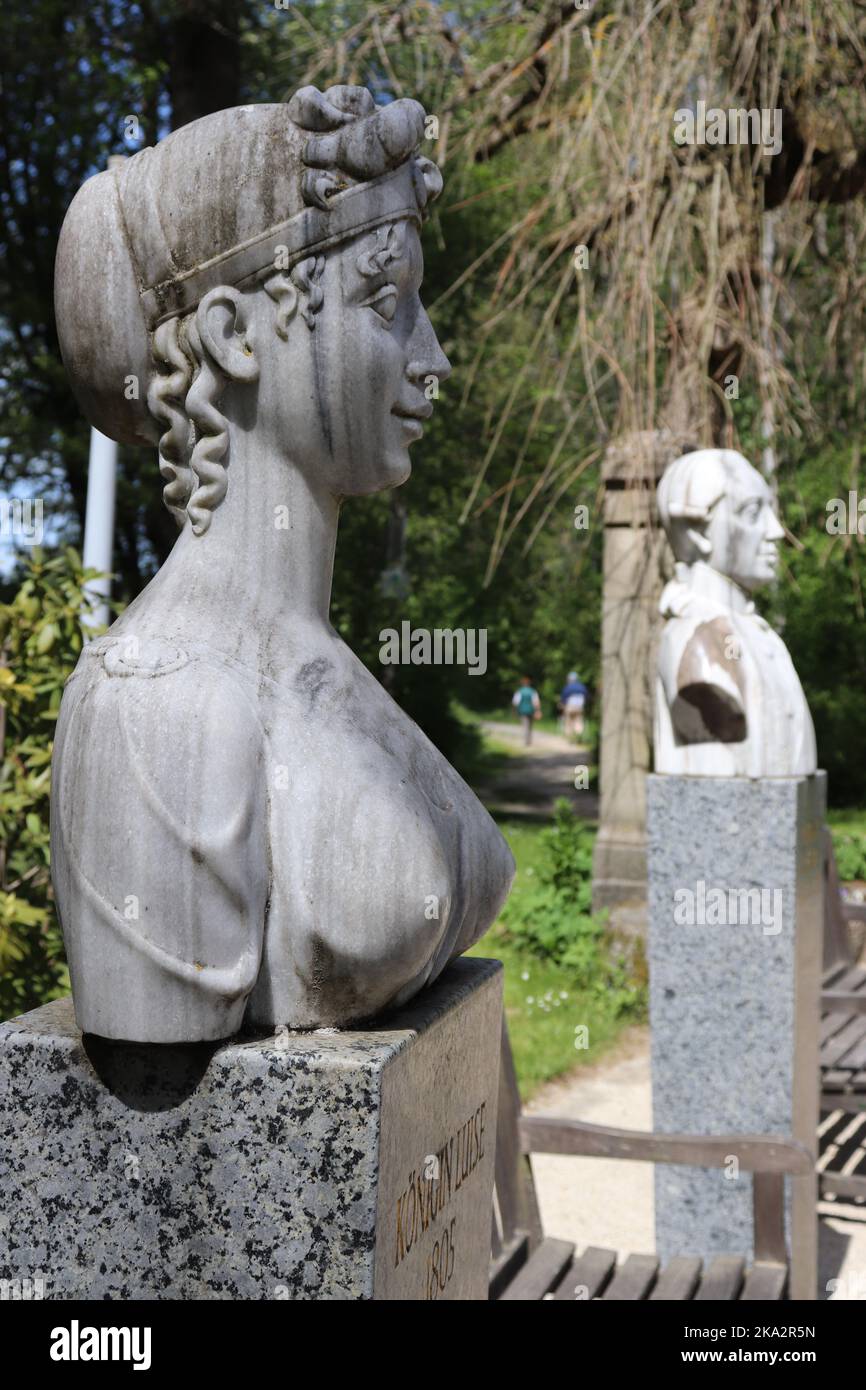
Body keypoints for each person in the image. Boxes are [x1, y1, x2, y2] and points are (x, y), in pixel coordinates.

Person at [512, 676, 541, 746]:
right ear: (529, 683)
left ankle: (526, 741)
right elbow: (536, 702)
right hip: (531, 710)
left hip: (522, 711)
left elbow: (515, 702)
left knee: (525, 726)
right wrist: (537, 711)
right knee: (530, 726)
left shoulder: (519, 691)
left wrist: (514, 711)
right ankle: (529, 739)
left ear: (522, 683)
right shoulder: (533, 691)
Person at [560, 671, 588, 739]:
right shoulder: (582, 687)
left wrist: (562, 706)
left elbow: (563, 698)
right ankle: (579, 736)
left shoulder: (568, 687)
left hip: (570, 707)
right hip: (579, 707)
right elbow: (586, 697)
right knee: (578, 721)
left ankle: (569, 736)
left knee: (568, 722)